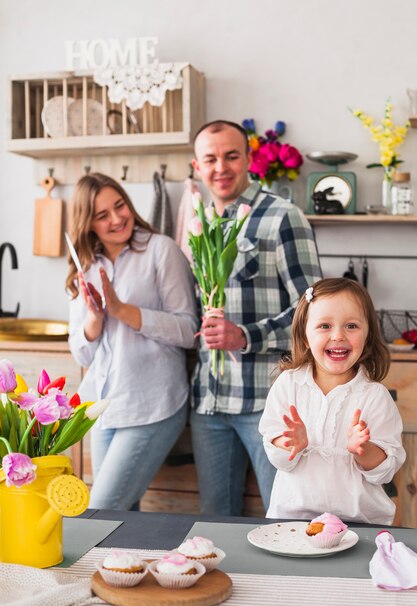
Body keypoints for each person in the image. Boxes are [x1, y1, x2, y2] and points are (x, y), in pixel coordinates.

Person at [190, 120, 322, 516]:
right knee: (215, 523)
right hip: (209, 402)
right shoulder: (198, 225)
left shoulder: (283, 216)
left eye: (231, 156)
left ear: (249, 158)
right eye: (210, 159)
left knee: (286, 517)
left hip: (267, 402)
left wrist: (245, 336)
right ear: (197, 166)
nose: (221, 167)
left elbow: (313, 309)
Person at [66, 173, 198, 510]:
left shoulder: (160, 250)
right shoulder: (85, 266)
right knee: (124, 519)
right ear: (88, 224)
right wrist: (95, 320)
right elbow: (81, 353)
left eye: (119, 205)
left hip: (153, 405)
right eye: (102, 215)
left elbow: (188, 330)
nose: (116, 218)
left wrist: (124, 311)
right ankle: (121, 566)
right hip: (103, 410)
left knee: (100, 512)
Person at [259, 278, 406, 524]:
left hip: (360, 524)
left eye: (351, 326)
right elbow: (277, 455)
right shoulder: (288, 385)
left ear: (368, 334)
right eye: (324, 326)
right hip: (293, 521)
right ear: (305, 336)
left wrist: (364, 450)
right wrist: (290, 443)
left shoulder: (375, 396)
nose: (338, 335)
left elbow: (384, 472)